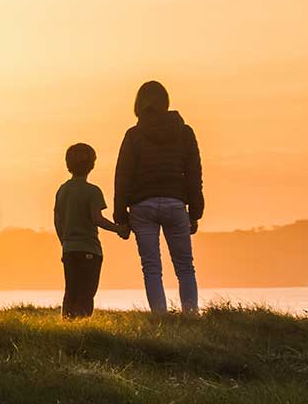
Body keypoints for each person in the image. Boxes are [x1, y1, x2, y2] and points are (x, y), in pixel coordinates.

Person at [114, 80, 205, 314]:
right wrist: (195, 212)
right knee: (185, 267)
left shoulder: (133, 135)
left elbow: (123, 176)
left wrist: (120, 216)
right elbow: (194, 173)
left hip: (142, 206)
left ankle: (160, 317)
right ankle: (191, 315)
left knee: (151, 268)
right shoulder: (184, 132)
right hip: (176, 203)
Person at [54, 143, 129, 319]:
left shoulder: (63, 190)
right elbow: (97, 219)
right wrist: (119, 229)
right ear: (92, 165)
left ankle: (67, 324)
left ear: (68, 164)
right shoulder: (92, 191)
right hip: (90, 249)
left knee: (71, 290)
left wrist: (64, 241)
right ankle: (83, 327)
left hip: (69, 248)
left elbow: (57, 220)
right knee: (86, 292)